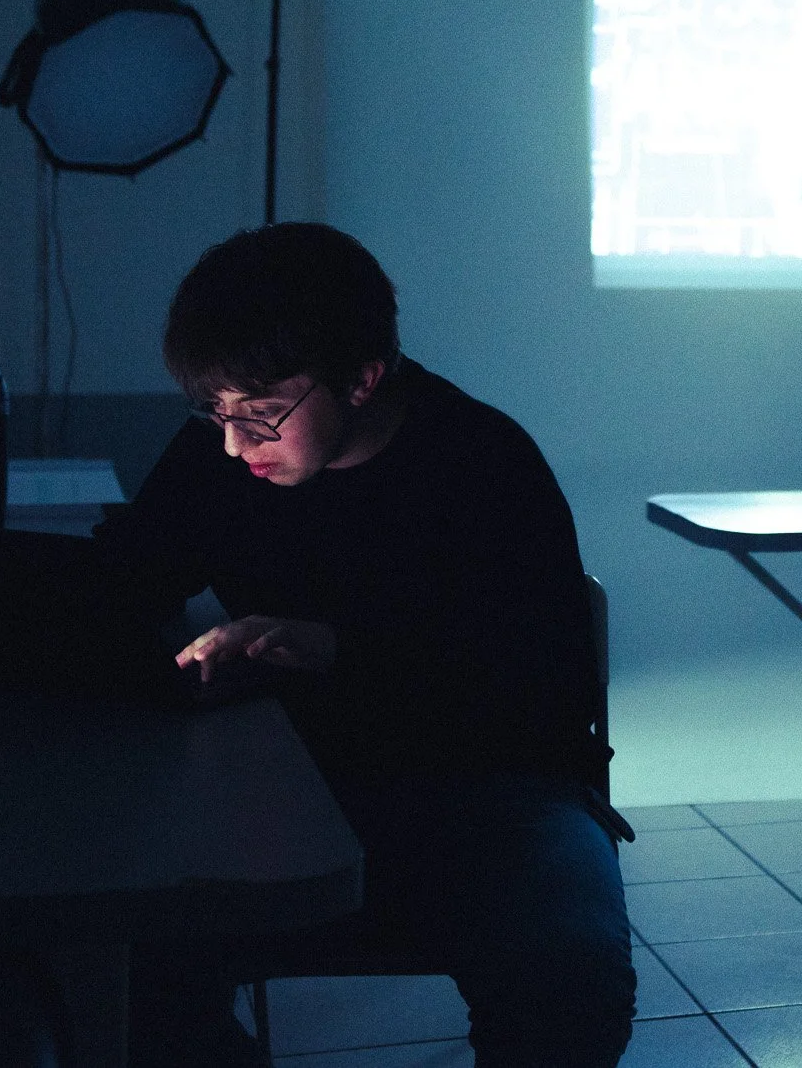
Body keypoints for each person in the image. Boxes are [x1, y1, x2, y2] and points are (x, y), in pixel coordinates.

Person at [97, 222, 635, 1067]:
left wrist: (334, 648)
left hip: (489, 788)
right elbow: (124, 583)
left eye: (262, 413)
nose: (236, 443)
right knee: (116, 957)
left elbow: (541, 700)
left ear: (362, 376)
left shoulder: (486, 464)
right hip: (285, 775)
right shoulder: (222, 453)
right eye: (216, 411)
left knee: (567, 977)